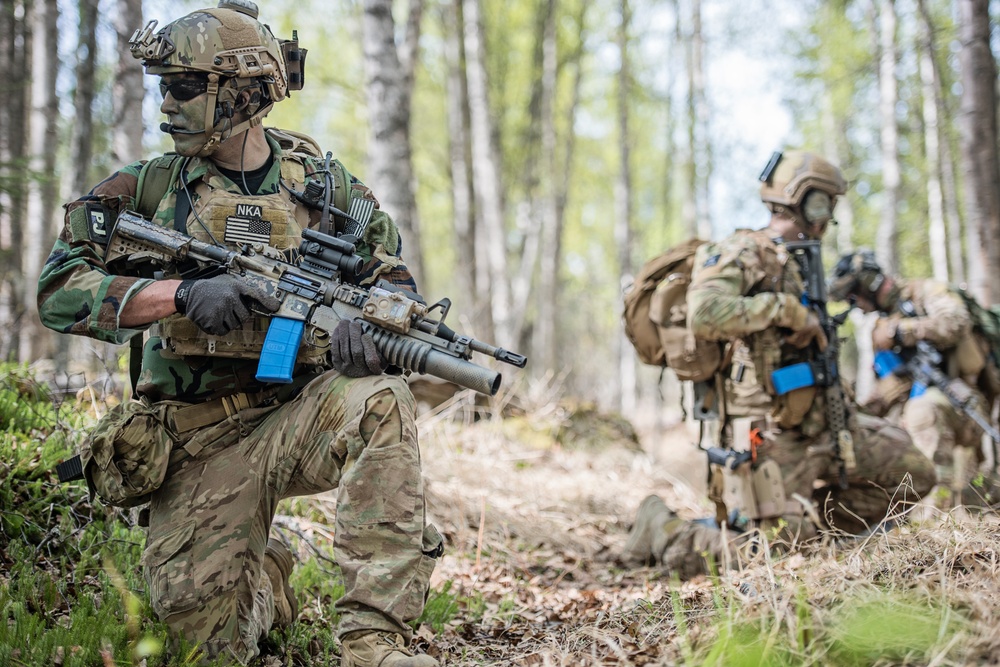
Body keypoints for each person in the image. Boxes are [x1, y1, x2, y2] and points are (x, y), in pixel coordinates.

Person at [37, 2, 442, 665]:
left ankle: (373, 640)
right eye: (164, 87)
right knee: (208, 648)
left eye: (184, 86)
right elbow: (58, 290)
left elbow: (394, 281)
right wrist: (180, 293)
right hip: (194, 442)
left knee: (380, 397)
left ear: (244, 92)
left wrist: (373, 329)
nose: (166, 103)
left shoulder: (326, 188)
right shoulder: (148, 188)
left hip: (298, 418)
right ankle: (268, 583)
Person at [622, 151, 935, 576]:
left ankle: (807, 531)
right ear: (803, 200)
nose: (829, 216)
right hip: (772, 434)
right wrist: (786, 310)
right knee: (771, 556)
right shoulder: (743, 250)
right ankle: (662, 528)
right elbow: (705, 312)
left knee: (914, 473)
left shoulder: (800, 259)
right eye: (825, 202)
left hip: (827, 424)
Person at [828, 250, 1000, 507]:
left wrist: (900, 332)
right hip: (922, 408)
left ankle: (936, 518)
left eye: (854, 297)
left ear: (869, 284)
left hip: (968, 403)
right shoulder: (882, 326)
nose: (856, 307)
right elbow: (888, 389)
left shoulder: (927, 293)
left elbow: (955, 323)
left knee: (922, 411)